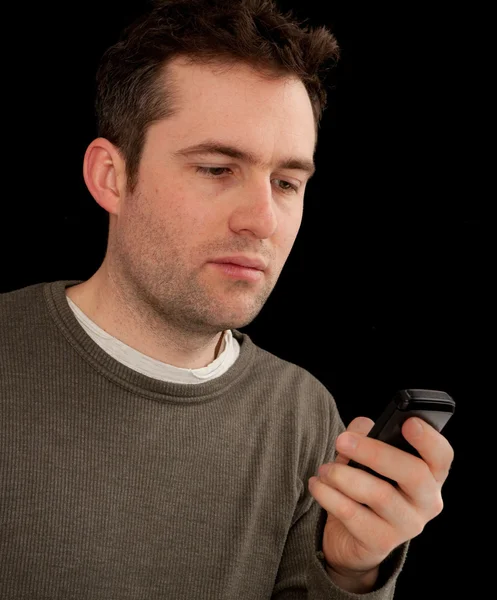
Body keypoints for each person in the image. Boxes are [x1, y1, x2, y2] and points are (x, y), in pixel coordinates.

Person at [0, 0, 454, 598]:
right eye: (216, 169)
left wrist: (349, 573)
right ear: (111, 177)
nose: (262, 220)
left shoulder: (306, 416)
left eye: (287, 182)